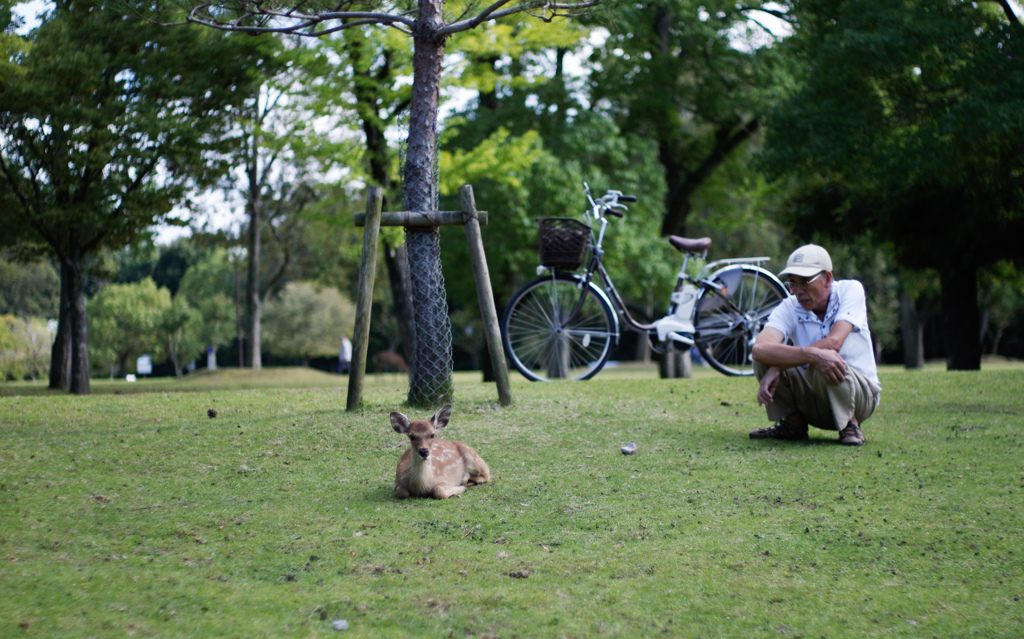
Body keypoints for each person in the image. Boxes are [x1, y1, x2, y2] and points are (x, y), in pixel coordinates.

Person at [749, 244, 881, 446]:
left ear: (827, 278)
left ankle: (850, 425)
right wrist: (780, 363)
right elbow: (759, 349)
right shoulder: (790, 306)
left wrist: (781, 365)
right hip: (815, 399)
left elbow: (834, 342)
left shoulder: (850, 290)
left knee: (825, 359)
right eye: (792, 283)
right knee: (765, 360)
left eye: (805, 282)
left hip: (860, 396)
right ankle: (794, 425)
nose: (798, 291)